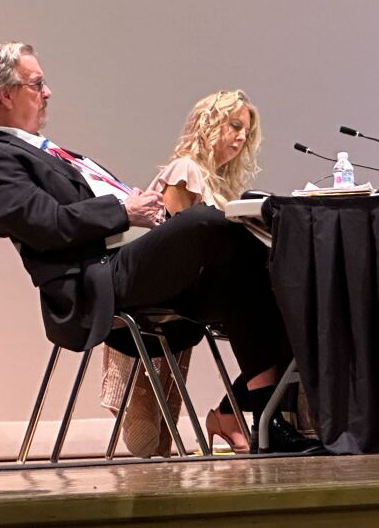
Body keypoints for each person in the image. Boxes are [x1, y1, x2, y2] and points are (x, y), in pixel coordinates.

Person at [0, 42, 318, 455]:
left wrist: (135, 207)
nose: (48, 92)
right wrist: (121, 209)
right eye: (37, 83)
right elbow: (46, 224)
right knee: (206, 221)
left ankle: (267, 419)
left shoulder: (58, 153)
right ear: (6, 94)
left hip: (131, 258)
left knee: (253, 280)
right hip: (95, 276)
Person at [100, 90, 263, 456]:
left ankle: (231, 412)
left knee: (265, 309)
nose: (240, 136)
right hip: (162, 289)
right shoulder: (185, 169)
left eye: (246, 132)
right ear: (209, 124)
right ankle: (229, 413)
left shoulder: (220, 183)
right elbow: (171, 242)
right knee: (259, 308)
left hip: (196, 290)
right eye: (234, 125)